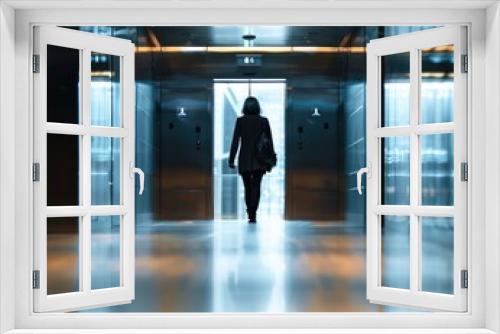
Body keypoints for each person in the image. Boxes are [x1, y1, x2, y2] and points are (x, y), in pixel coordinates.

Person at [228, 96, 275, 223]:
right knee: (256, 186)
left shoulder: (240, 121)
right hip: (260, 160)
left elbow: (235, 141)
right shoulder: (264, 121)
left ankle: (250, 212)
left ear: (245, 107)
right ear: (257, 107)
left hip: (244, 159)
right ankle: (254, 212)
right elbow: (269, 142)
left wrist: (231, 159)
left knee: (247, 187)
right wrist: (271, 159)